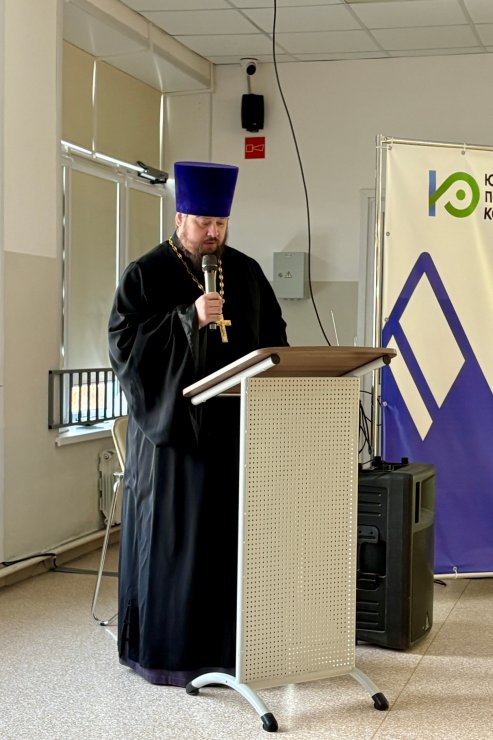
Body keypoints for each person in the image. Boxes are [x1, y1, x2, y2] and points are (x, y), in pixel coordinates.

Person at [108, 160, 288, 687]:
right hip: (173, 444)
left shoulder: (246, 273)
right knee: (175, 550)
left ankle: (230, 652)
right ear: (180, 218)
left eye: (221, 224)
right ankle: (169, 656)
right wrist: (190, 319)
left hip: (233, 437)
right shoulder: (146, 274)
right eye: (204, 223)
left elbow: (274, 338)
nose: (213, 233)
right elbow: (125, 347)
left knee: (226, 547)